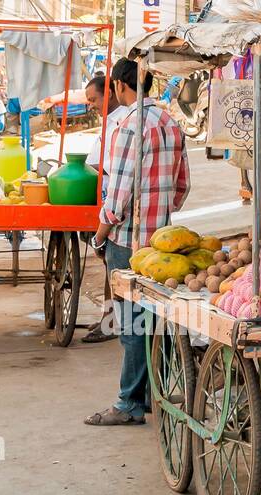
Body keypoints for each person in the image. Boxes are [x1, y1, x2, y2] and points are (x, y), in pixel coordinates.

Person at [85, 58, 190, 425]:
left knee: (130, 325)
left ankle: (129, 403)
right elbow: (182, 187)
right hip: (163, 245)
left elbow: (119, 193)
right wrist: (160, 216)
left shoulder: (130, 125)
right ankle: (150, 396)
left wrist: (101, 233)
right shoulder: (171, 124)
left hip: (128, 243)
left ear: (118, 85)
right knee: (152, 321)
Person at [81, 72, 130, 344]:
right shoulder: (108, 122)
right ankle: (108, 319)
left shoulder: (123, 122)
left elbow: (115, 169)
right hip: (108, 199)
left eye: (94, 99)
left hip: (117, 202)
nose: (91, 105)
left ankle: (112, 323)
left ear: (110, 92)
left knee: (115, 267)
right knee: (109, 265)